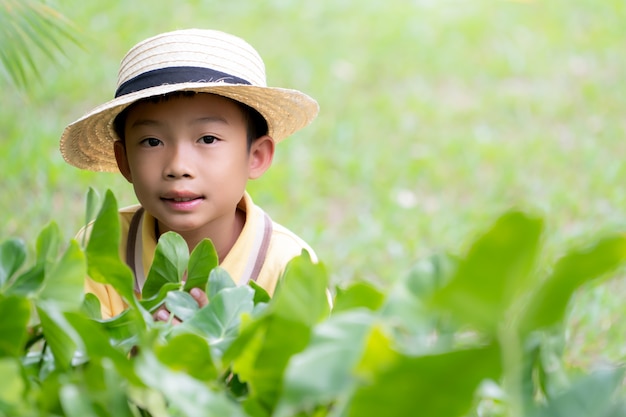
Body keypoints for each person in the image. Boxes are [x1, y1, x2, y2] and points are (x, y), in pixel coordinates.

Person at [59, 28, 320, 320]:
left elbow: (312, 365)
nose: (178, 167)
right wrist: (142, 348)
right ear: (125, 161)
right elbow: (71, 360)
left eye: (208, 139)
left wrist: (222, 350)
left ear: (256, 156)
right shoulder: (100, 248)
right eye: (152, 141)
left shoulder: (289, 266)